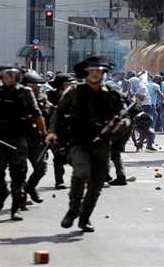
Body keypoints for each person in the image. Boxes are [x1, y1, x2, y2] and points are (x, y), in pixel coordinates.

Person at [46, 56, 123, 232]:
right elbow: (59, 112)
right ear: (87, 72)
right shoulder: (74, 91)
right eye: (92, 70)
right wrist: (52, 132)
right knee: (81, 172)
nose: (95, 73)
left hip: (102, 144)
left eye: (99, 70)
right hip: (78, 141)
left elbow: (124, 115)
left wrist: (120, 125)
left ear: (104, 73)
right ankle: (73, 210)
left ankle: (85, 217)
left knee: (96, 183)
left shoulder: (112, 93)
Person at [0, 66, 46, 221]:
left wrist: (44, 134)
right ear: (1, 78)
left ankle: (15, 208)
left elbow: (37, 115)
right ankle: (2, 191)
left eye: (12, 76)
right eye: (6, 76)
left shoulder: (25, 93)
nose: (9, 79)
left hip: (18, 139)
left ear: (18, 77)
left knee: (18, 174)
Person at [21, 72, 50, 206]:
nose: (37, 88)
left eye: (38, 86)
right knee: (21, 170)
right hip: (20, 138)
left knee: (41, 168)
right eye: (34, 85)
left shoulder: (42, 98)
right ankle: (21, 198)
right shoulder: (18, 98)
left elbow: (47, 116)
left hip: (37, 138)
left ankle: (30, 187)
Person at [47, 73, 76, 189]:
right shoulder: (50, 96)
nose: (70, 86)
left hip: (73, 129)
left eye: (71, 83)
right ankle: (59, 181)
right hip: (56, 129)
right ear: (60, 85)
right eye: (67, 84)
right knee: (58, 155)